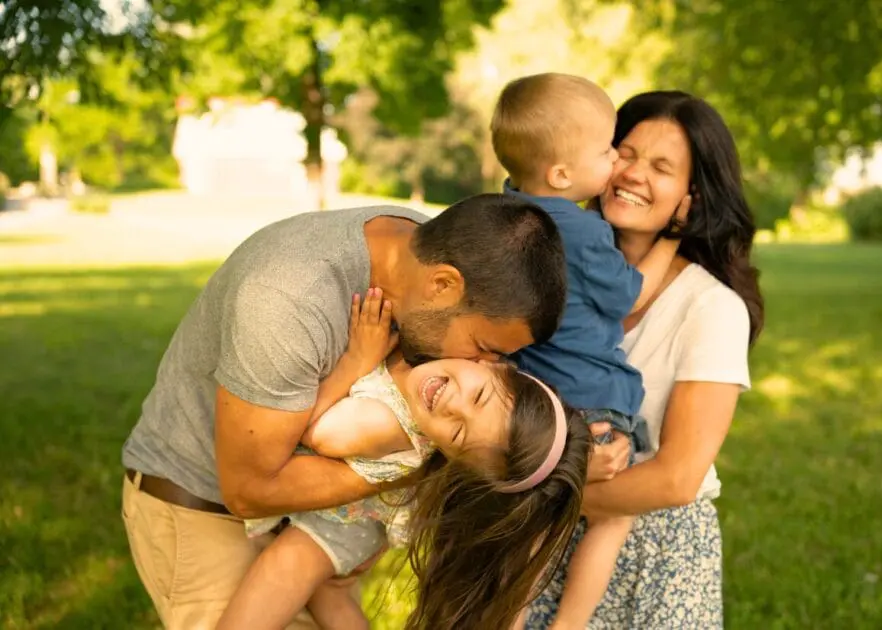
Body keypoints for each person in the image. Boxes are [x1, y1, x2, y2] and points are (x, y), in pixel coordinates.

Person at [120, 193, 569, 628]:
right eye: (484, 348)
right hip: (205, 512)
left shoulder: (419, 256)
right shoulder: (287, 300)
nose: (482, 366)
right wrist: (412, 471)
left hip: (293, 521)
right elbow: (249, 490)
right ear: (444, 284)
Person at [524, 90, 765, 629]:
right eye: (625, 153)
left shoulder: (711, 308)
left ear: (691, 197)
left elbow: (676, 479)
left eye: (661, 167)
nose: (632, 174)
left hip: (652, 554)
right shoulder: (540, 263)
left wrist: (545, 496)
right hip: (531, 546)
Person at [217, 289, 591, 630]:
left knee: (282, 572)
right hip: (362, 520)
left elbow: (318, 433)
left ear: (450, 456)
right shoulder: (434, 355)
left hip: (340, 526)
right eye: (478, 397)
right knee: (328, 596)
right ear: (495, 364)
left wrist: (357, 359)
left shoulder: (387, 424)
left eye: (458, 433)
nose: (452, 405)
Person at [491, 73, 689, 629]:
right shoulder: (579, 233)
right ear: (562, 174)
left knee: (528, 527)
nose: (616, 166)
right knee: (611, 519)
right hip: (593, 400)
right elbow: (627, 293)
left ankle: (507, 618)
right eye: (609, 151)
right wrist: (673, 239)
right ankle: (569, 624)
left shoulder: (502, 213)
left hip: (531, 399)